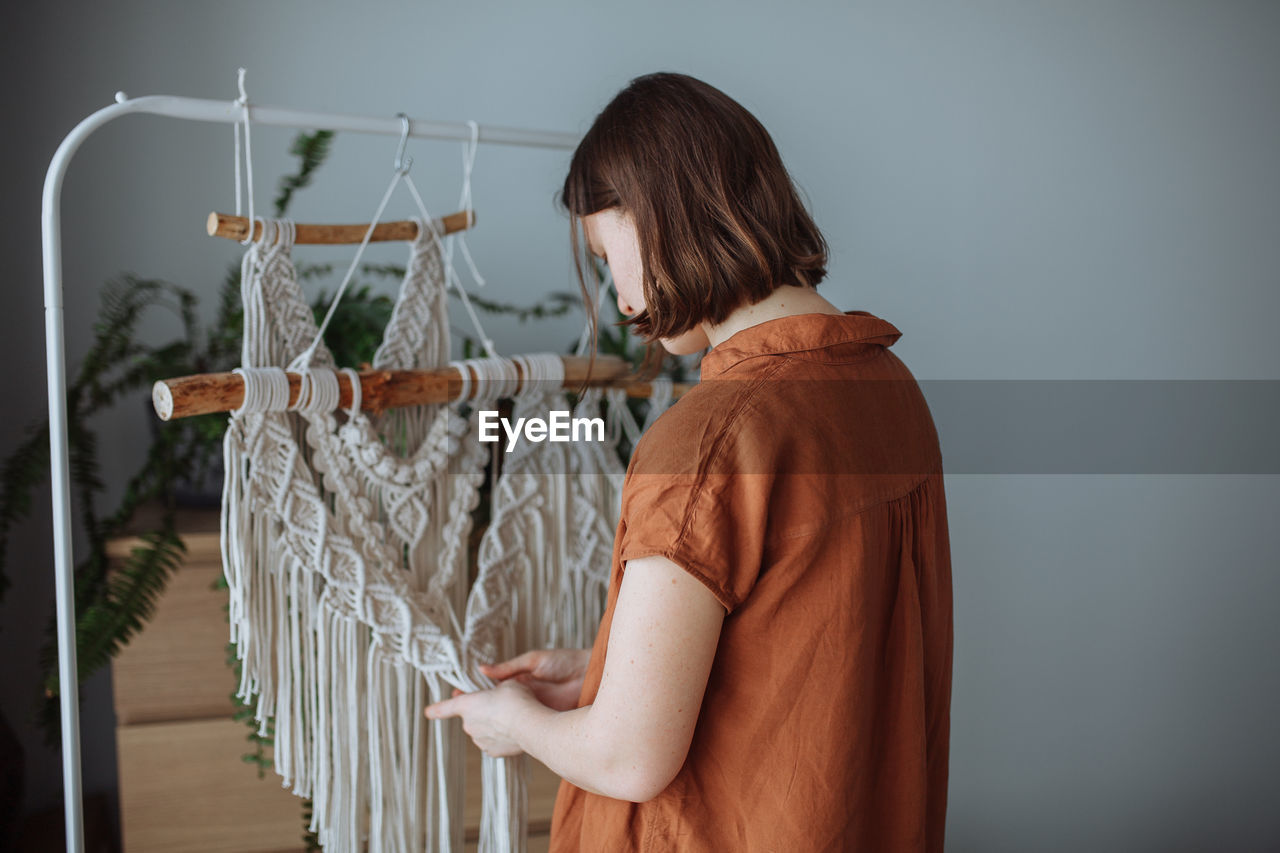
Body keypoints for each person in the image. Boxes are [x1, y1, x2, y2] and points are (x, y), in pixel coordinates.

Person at [425, 71, 953, 852]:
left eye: (609, 253)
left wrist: (520, 723)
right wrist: (604, 672)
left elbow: (628, 758)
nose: (615, 292)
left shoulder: (709, 440)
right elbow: (802, 650)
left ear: (663, 219)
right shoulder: (888, 388)